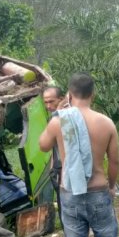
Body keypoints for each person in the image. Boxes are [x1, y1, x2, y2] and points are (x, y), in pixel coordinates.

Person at [39, 73, 119, 237]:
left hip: (71, 195)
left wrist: (58, 115)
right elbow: (115, 161)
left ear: (69, 93)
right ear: (93, 94)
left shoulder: (59, 121)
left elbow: (43, 145)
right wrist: (110, 186)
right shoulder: (106, 122)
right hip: (98, 191)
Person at [43, 86, 65, 227]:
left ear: (61, 100)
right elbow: (53, 147)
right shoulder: (52, 119)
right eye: (45, 102)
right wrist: (52, 168)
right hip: (58, 168)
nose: (49, 106)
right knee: (62, 203)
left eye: (52, 101)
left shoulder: (65, 117)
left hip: (67, 168)